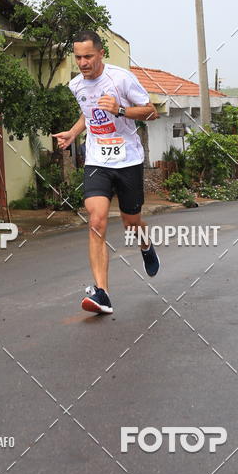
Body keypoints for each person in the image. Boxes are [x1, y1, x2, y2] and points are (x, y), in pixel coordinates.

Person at [53, 31, 159, 315]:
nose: (83, 63)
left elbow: (151, 112)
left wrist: (121, 109)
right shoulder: (76, 85)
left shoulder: (121, 78)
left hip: (128, 159)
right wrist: (73, 133)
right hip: (98, 159)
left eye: (88, 56)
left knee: (130, 220)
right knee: (96, 219)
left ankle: (146, 245)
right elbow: (88, 115)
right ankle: (102, 294)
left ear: (101, 54)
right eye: (78, 57)